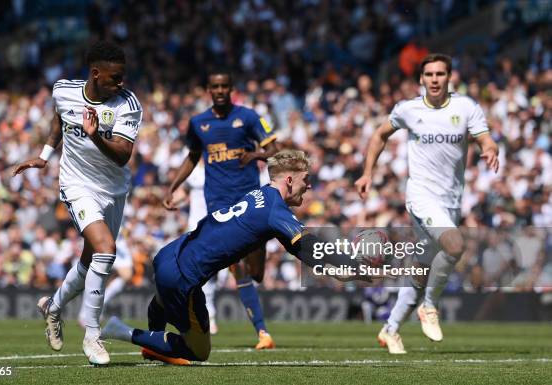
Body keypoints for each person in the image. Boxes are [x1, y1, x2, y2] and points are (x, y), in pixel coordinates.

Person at [101, 150, 358, 364]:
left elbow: (297, 248)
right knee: (199, 352)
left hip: (170, 253)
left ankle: (155, 345)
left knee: (163, 298)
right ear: (289, 180)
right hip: (184, 275)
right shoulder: (274, 208)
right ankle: (123, 331)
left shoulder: (259, 194)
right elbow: (308, 245)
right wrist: (352, 265)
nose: (310, 185)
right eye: (306, 179)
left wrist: (327, 266)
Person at [355, 53, 499, 354]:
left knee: (420, 270)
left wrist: (489, 149)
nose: (434, 80)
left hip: (451, 200)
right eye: (429, 75)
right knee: (455, 245)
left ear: (450, 78)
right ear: (421, 79)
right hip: (421, 196)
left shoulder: (466, 107)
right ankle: (430, 307)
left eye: (440, 74)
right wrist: (367, 172)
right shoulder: (409, 109)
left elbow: (485, 138)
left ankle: (390, 329)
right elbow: (380, 134)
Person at [12, 41, 142, 365]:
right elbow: (60, 122)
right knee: (106, 249)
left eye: (123, 76)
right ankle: (92, 334)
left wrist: (96, 135)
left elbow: (124, 156)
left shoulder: (128, 104)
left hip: (113, 190)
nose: (121, 83)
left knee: (90, 261)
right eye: (115, 77)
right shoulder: (63, 91)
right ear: (96, 74)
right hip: (76, 184)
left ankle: (53, 307)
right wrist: (44, 157)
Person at [163, 69, 279, 348]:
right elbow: (192, 158)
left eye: (225, 86)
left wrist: (257, 154)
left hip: (251, 198)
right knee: (236, 266)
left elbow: (276, 150)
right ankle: (263, 333)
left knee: (256, 272)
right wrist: (173, 186)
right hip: (219, 203)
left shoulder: (249, 117)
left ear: (231, 89)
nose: (220, 91)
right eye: (215, 86)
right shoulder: (198, 123)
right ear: (208, 90)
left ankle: (256, 300)